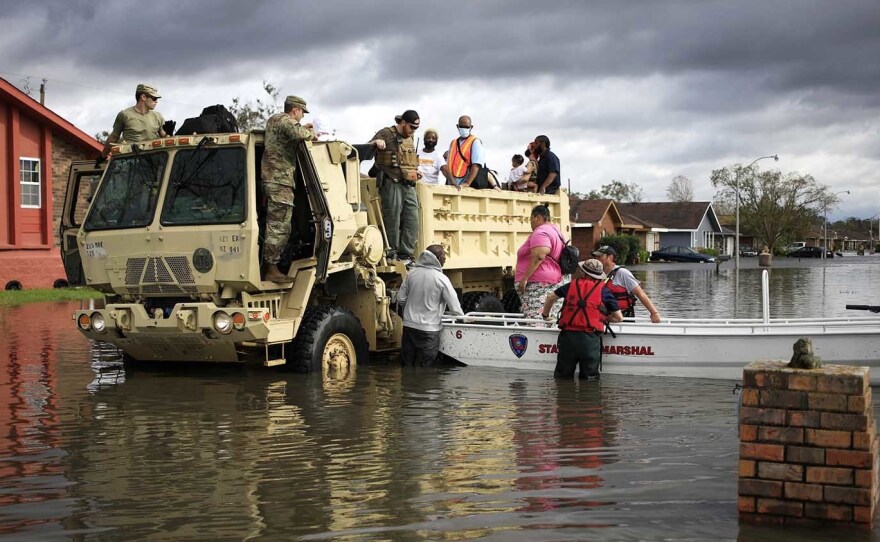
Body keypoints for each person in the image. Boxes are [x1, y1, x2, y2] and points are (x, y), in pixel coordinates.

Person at [260, 95, 317, 282]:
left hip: (273, 179)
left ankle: (272, 266)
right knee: (279, 226)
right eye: (302, 113)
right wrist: (310, 131)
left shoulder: (274, 120)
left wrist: (301, 127)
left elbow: (292, 132)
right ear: (296, 110)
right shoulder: (286, 121)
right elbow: (303, 135)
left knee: (276, 224)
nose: (302, 116)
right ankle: (271, 269)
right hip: (280, 182)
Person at [541, 259, 623, 380]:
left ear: (583, 272)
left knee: (563, 377)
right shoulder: (603, 290)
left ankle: (563, 391)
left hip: (568, 338)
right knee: (590, 379)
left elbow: (550, 297)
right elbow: (619, 317)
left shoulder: (570, 286)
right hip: (590, 340)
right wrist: (603, 319)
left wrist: (545, 315)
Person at [397, 244, 464, 367]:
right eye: (443, 255)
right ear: (436, 258)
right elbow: (454, 307)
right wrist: (463, 319)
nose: (445, 258)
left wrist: (409, 313)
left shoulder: (411, 274)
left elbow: (400, 299)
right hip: (429, 331)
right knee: (426, 369)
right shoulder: (441, 279)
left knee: (407, 366)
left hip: (409, 328)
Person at [370, 110, 421, 263]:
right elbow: (367, 148)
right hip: (391, 181)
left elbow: (408, 159)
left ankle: (406, 255)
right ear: (403, 123)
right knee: (392, 219)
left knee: (412, 220)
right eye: (411, 127)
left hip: (408, 183)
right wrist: (376, 142)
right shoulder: (386, 133)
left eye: (416, 128)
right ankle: (391, 253)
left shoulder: (410, 137)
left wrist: (415, 171)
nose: (413, 130)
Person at [515, 204, 565, 322]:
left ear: (537, 217)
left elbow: (539, 255)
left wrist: (525, 279)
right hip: (553, 281)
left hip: (537, 284)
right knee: (549, 319)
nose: (530, 223)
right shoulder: (556, 231)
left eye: (531, 219)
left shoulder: (541, 232)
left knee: (536, 321)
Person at [592, 245, 662, 323]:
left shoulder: (622, 273)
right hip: (604, 318)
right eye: (596, 257)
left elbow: (640, 294)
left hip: (624, 317)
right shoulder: (596, 274)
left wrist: (654, 313)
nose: (596, 259)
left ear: (610, 257)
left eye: (599, 256)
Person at [100, 83, 167, 159]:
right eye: (154, 98)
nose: (156, 101)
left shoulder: (157, 116)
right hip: (131, 160)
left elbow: (164, 137)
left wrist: (168, 133)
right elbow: (114, 137)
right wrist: (102, 156)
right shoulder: (125, 115)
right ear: (143, 97)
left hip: (152, 160)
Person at [446, 115, 501, 189]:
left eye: (466, 127)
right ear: (457, 126)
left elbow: (476, 165)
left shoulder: (475, 142)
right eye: (462, 126)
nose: (464, 129)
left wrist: (467, 183)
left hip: (464, 185)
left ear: (471, 127)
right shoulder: (453, 142)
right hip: (452, 184)